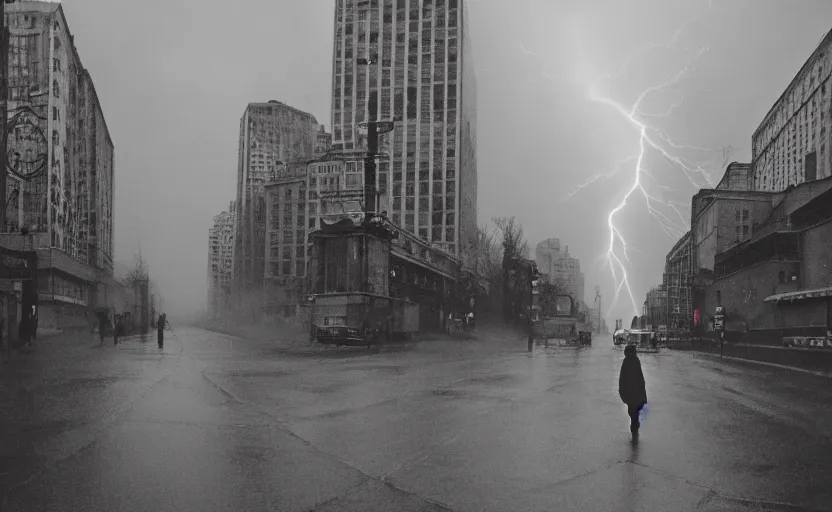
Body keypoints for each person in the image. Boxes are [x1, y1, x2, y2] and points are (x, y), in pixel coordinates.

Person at [619, 344, 648, 437]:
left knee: (632, 410)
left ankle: (634, 425)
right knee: (635, 410)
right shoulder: (635, 360)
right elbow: (640, 377)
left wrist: (622, 391)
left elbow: (622, 378)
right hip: (636, 391)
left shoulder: (627, 361)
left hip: (630, 391)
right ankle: (635, 425)